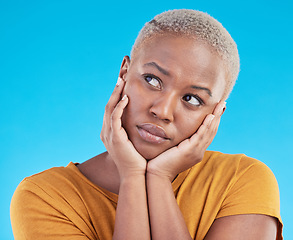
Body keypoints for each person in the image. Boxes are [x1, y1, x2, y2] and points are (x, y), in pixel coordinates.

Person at [10, 9, 283, 240]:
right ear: (125, 72)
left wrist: (158, 178)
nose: (163, 111)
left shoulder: (242, 180)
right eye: (152, 80)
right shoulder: (45, 197)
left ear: (216, 113)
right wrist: (132, 176)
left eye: (192, 99)